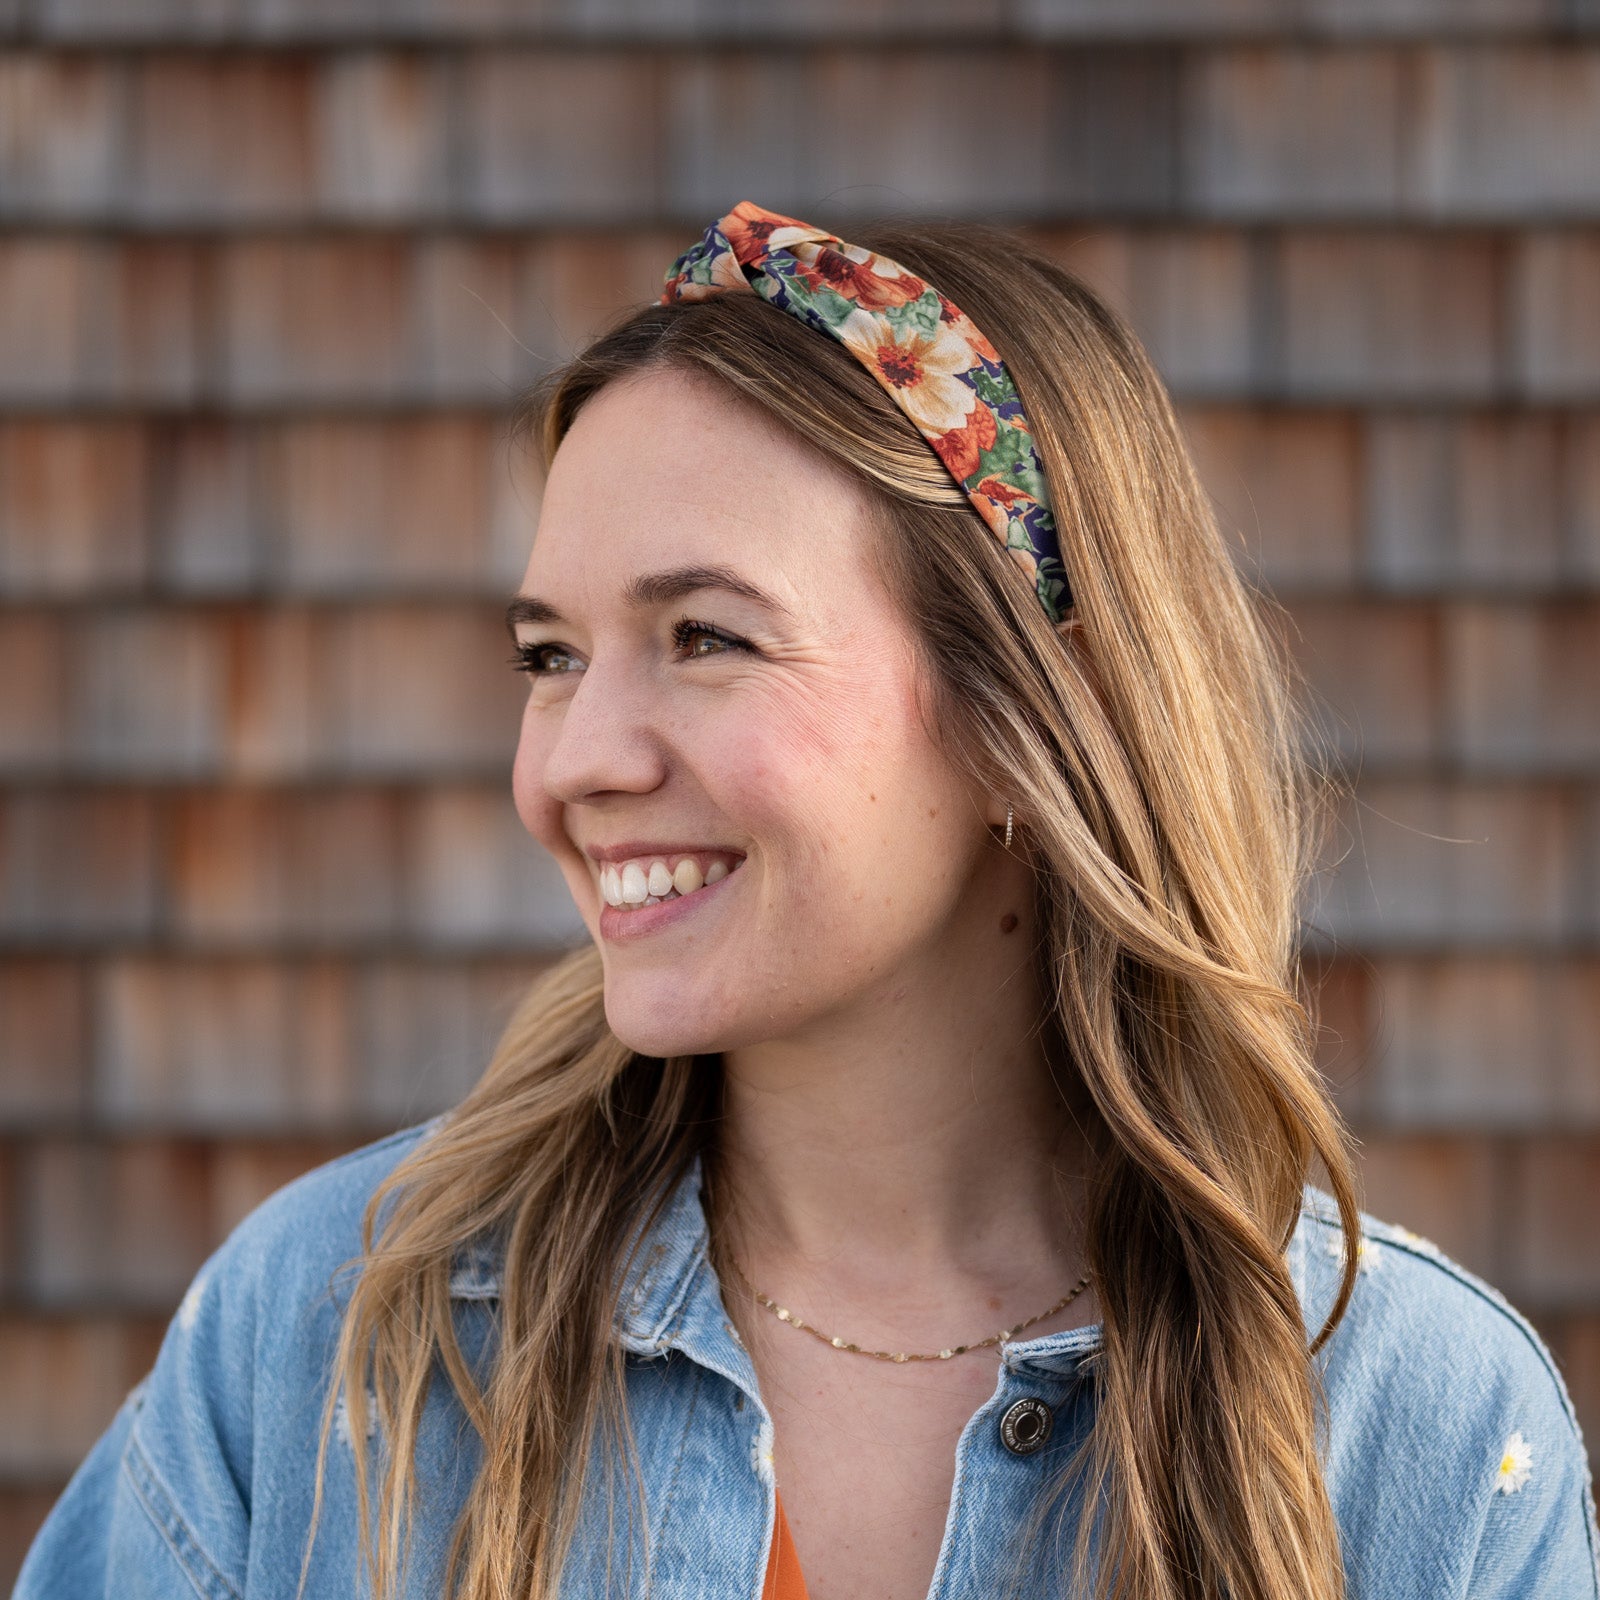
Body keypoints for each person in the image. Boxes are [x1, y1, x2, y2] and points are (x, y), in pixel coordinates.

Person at [14, 201, 1599, 1600]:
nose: (575, 761)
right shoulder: (332, 1340)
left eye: (706, 637)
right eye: (550, 656)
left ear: (1026, 722)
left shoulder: (1418, 1432)